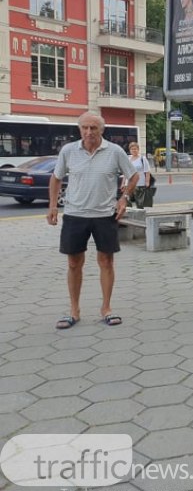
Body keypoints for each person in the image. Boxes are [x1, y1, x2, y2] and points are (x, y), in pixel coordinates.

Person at [47, 112, 139, 329]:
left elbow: (133, 175)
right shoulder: (69, 151)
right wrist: (52, 205)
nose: (89, 132)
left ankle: (106, 308)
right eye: (85, 128)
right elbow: (56, 178)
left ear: (102, 130)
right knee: (73, 263)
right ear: (79, 130)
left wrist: (124, 198)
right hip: (74, 214)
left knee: (106, 262)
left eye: (93, 128)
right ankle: (74, 311)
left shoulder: (114, 151)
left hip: (104, 215)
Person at [125, 142, 153, 209]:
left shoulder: (142, 159)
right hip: (130, 183)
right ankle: (131, 215)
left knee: (139, 203)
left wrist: (147, 182)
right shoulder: (128, 159)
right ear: (130, 150)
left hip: (140, 183)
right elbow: (126, 171)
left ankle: (140, 216)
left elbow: (147, 171)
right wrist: (124, 182)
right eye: (132, 149)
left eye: (135, 149)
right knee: (127, 200)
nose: (134, 150)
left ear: (138, 149)